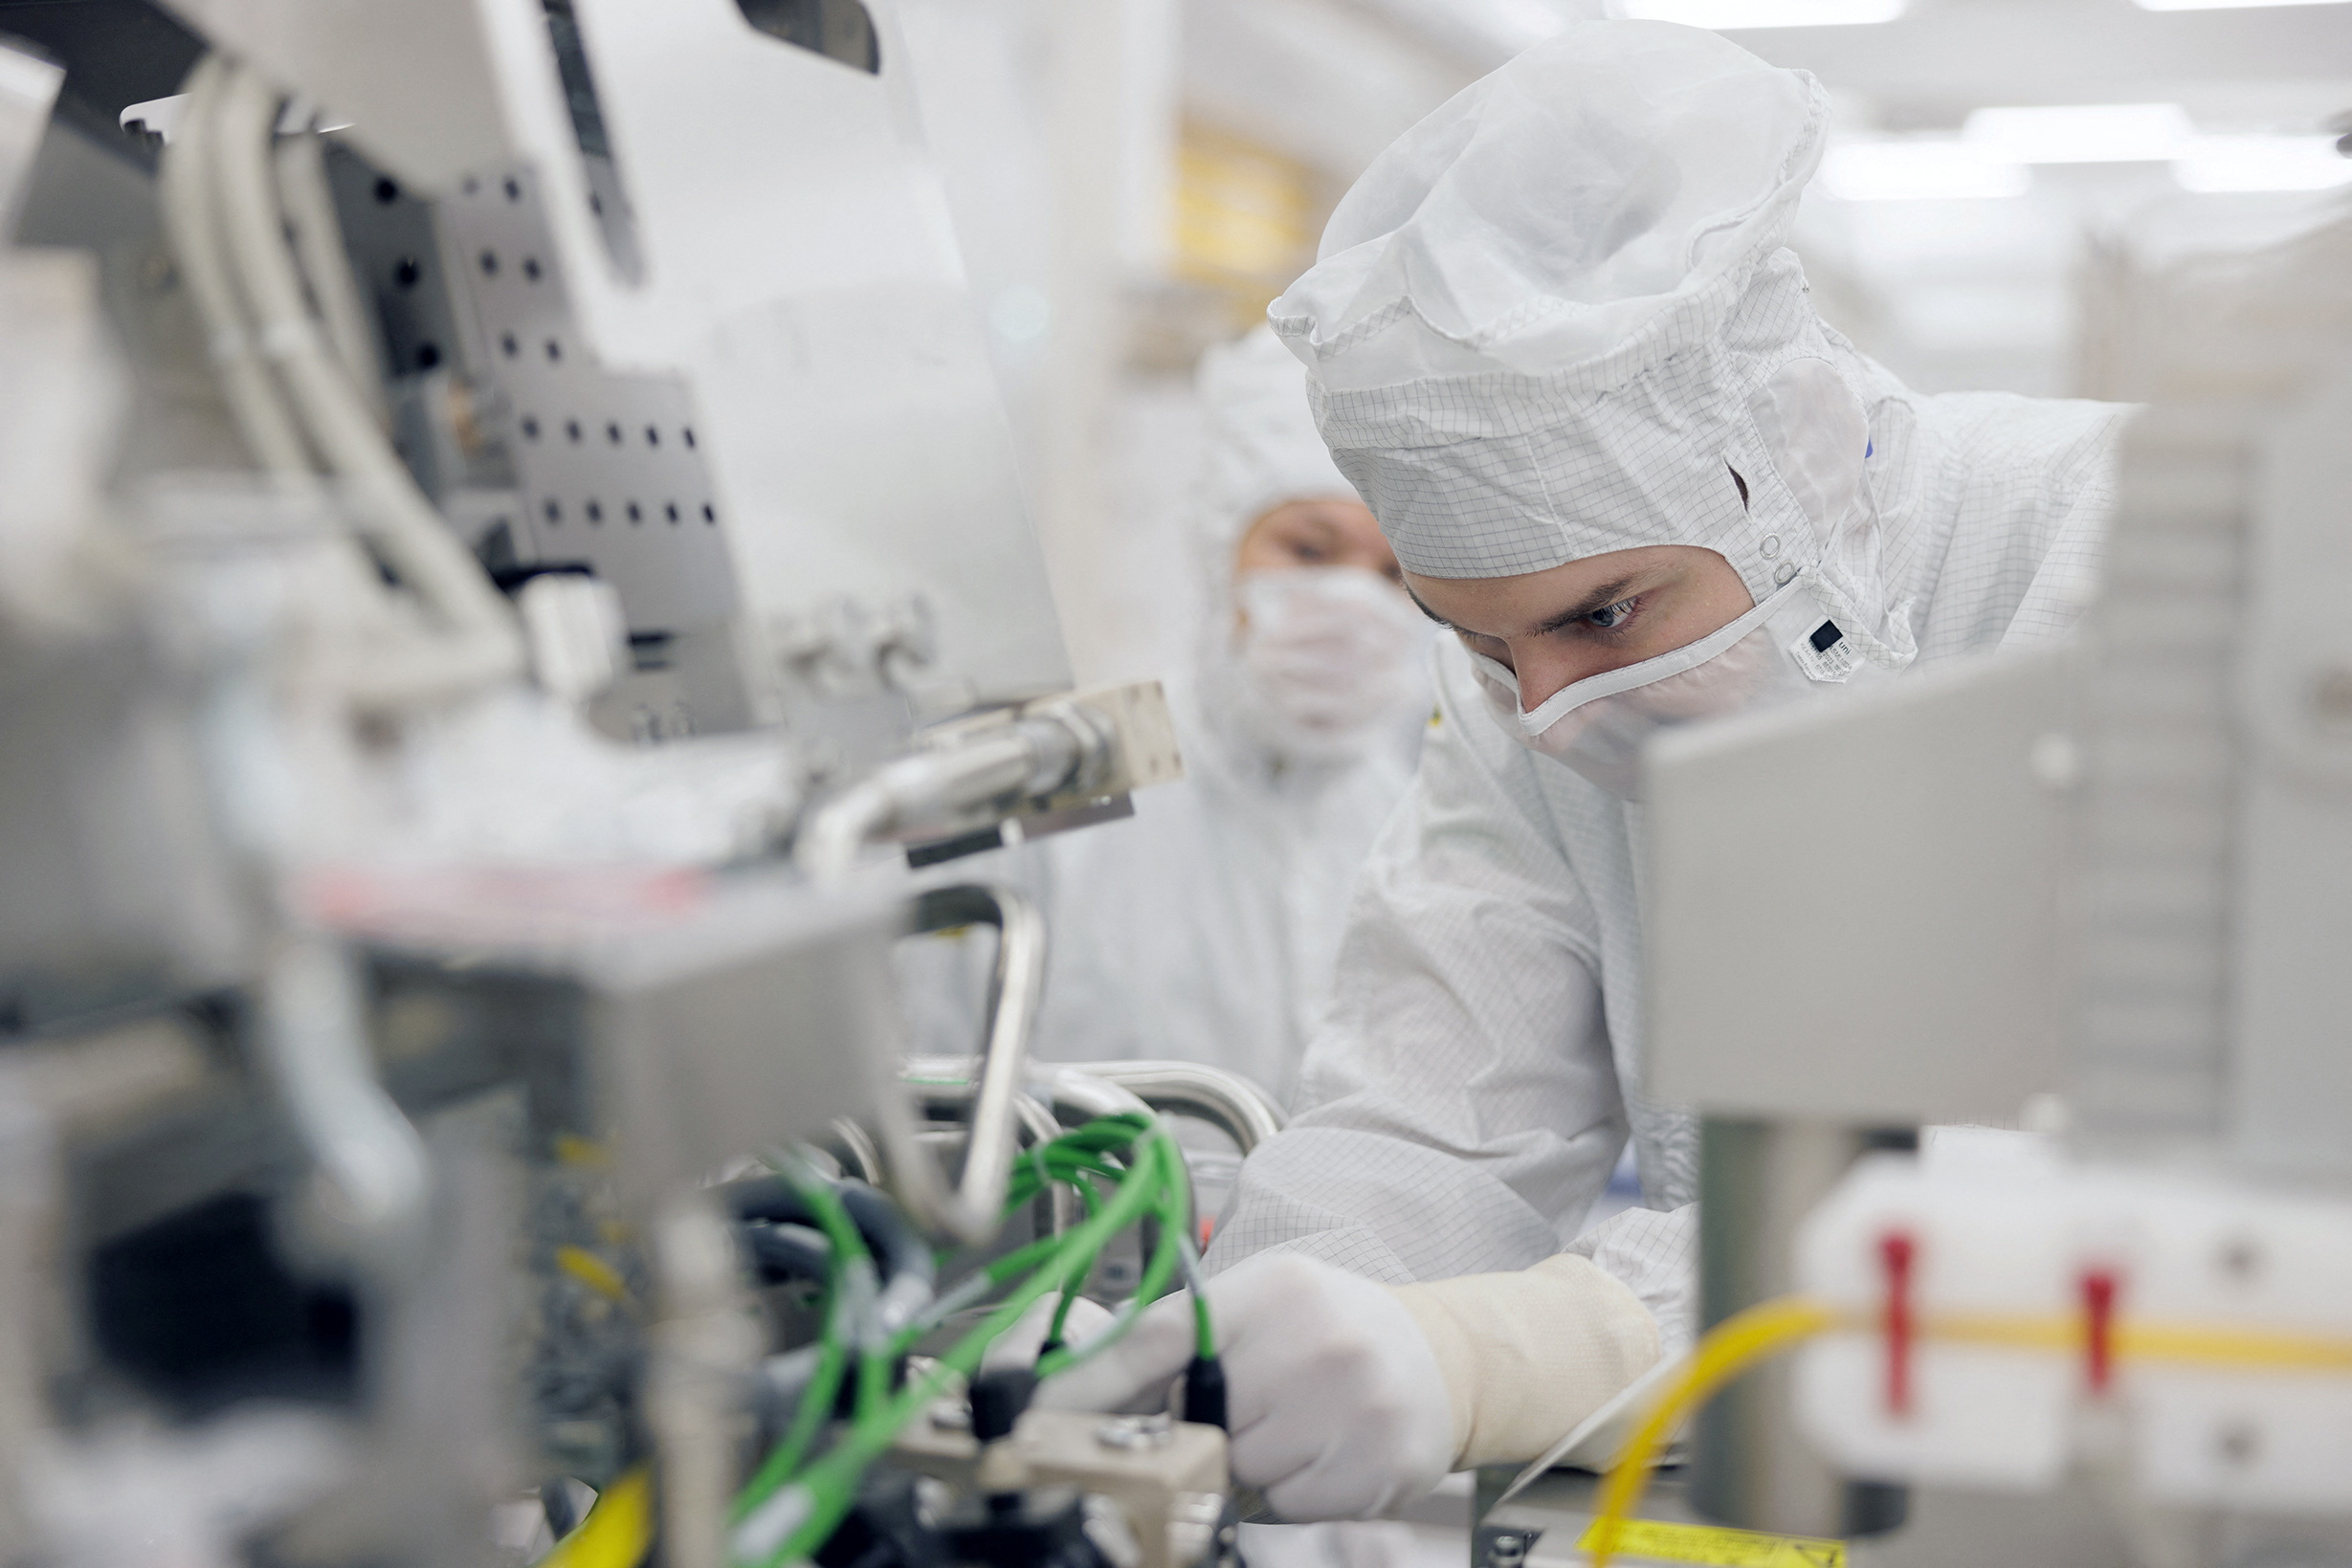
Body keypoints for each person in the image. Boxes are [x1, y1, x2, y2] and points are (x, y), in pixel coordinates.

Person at [1037, 20, 2131, 1523]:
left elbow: (2152, 1172)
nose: (1545, 712)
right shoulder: (1525, 697)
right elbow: (1434, 1115)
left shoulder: (2127, 564)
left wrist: (1533, 1344)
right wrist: (1239, 1355)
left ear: (1797, 466)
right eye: (1472, 638)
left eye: (1603, 614)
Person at [905, 325, 1431, 1135]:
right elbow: (916, 1074)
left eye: (1395, 573)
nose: (1352, 604)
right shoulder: (1069, 768)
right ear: (1221, 549)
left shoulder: (1420, 817)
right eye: (1308, 549)